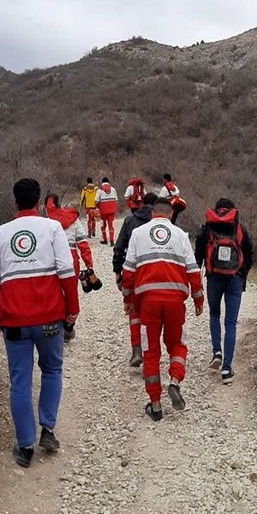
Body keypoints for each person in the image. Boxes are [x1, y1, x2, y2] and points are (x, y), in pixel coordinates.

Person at [0, 178, 79, 467]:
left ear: (14, 202)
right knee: (52, 369)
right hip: (50, 317)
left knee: (20, 381)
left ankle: (25, 446)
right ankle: (47, 429)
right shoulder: (53, 228)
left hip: (13, 320)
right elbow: (67, 272)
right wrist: (72, 309)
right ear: (39, 202)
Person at [122, 198, 204, 421]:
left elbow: (128, 271)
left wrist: (128, 299)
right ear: (170, 214)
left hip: (147, 302)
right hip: (175, 301)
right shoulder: (180, 235)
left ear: (152, 214)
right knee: (177, 344)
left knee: (150, 350)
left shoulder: (138, 233)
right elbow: (193, 270)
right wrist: (198, 298)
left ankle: (156, 404)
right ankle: (175, 381)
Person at [194, 198, 253, 384]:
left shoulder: (208, 228)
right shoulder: (239, 228)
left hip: (214, 278)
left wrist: (198, 277)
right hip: (234, 279)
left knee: (214, 314)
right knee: (231, 323)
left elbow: (198, 254)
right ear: (232, 210)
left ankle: (216, 352)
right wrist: (242, 275)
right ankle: (227, 369)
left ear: (217, 209)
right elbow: (249, 254)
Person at [44, 192, 97, 343]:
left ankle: (54, 325)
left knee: (54, 292)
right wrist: (89, 265)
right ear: (59, 204)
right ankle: (69, 327)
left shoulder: (46, 222)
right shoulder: (73, 219)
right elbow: (83, 244)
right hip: (71, 258)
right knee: (71, 293)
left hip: (52, 259)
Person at [113, 192, 158, 367]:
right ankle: (150, 352)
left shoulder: (130, 221)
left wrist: (118, 271)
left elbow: (119, 247)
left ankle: (137, 349)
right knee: (152, 314)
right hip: (154, 273)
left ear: (142, 204)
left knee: (134, 312)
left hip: (133, 271)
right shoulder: (160, 223)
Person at [95, 176, 118, 246]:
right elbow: (116, 200)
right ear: (108, 182)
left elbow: (96, 201)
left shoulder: (100, 190)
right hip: (111, 211)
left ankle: (105, 240)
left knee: (103, 226)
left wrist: (97, 208)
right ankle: (112, 241)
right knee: (111, 226)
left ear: (102, 182)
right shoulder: (113, 189)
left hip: (103, 211)